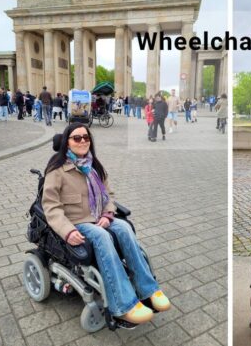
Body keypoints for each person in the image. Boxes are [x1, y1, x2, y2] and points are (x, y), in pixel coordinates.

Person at [42, 124, 171, 324]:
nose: (83, 140)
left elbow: (108, 195)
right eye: (77, 138)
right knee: (102, 236)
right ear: (66, 142)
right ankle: (123, 304)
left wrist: (108, 213)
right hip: (76, 223)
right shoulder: (57, 171)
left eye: (86, 137)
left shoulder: (95, 167)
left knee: (125, 227)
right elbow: (51, 207)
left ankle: (149, 289)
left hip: (99, 217)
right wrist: (67, 232)